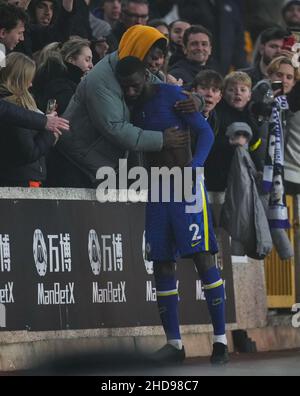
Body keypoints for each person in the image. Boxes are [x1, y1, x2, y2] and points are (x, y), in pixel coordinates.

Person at [115, 56, 229, 365]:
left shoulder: (172, 96)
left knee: (203, 256)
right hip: (157, 189)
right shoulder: (128, 105)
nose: (130, 91)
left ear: (146, 78)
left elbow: (204, 133)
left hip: (185, 185)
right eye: (125, 87)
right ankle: (175, 344)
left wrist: (195, 167)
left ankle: (220, 340)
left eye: (135, 85)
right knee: (161, 262)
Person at [56, 25, 198, 188]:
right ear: (138, 51)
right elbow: (115, 128)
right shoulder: (100, 81)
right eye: (150, 57)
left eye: (157, 57)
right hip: (77, 161)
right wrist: (161, 140)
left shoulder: (138, 70)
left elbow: (170, 98)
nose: (154, 63)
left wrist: (195, 101)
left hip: (105, 163)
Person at [0, 52, 59, 187]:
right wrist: (50, 131)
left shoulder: (15, 106)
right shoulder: (14, 110)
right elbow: (29, 153)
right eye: (29, 79)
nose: (31, 84)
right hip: (20, 182)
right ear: (19, 79)